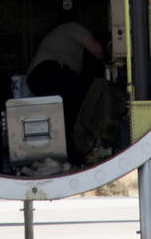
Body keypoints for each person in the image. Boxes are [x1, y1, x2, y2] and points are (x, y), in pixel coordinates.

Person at [26, 21, 104, 157]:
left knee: (64, 113)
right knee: (89, 93)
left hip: (35, 78)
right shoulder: (74, 27)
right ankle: (81, 149)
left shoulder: (59, 35)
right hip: (49, 70)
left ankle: (62, 153)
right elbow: (97, 49)